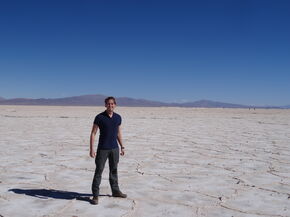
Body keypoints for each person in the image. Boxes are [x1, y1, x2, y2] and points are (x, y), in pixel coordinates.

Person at [89, 96, 127, 205]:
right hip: (102, 149)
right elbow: (93, 133)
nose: (110, 105)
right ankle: (95, 196)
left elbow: (118, 133)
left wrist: (122, 146)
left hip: (114, 148)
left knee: (114, 170)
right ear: (105, 105)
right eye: (108, 104)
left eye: (112, 104)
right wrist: (91, 149)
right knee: (99, 171)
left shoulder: (118, 117)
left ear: (115, 105)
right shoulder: (99, 117)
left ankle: (115, 191)